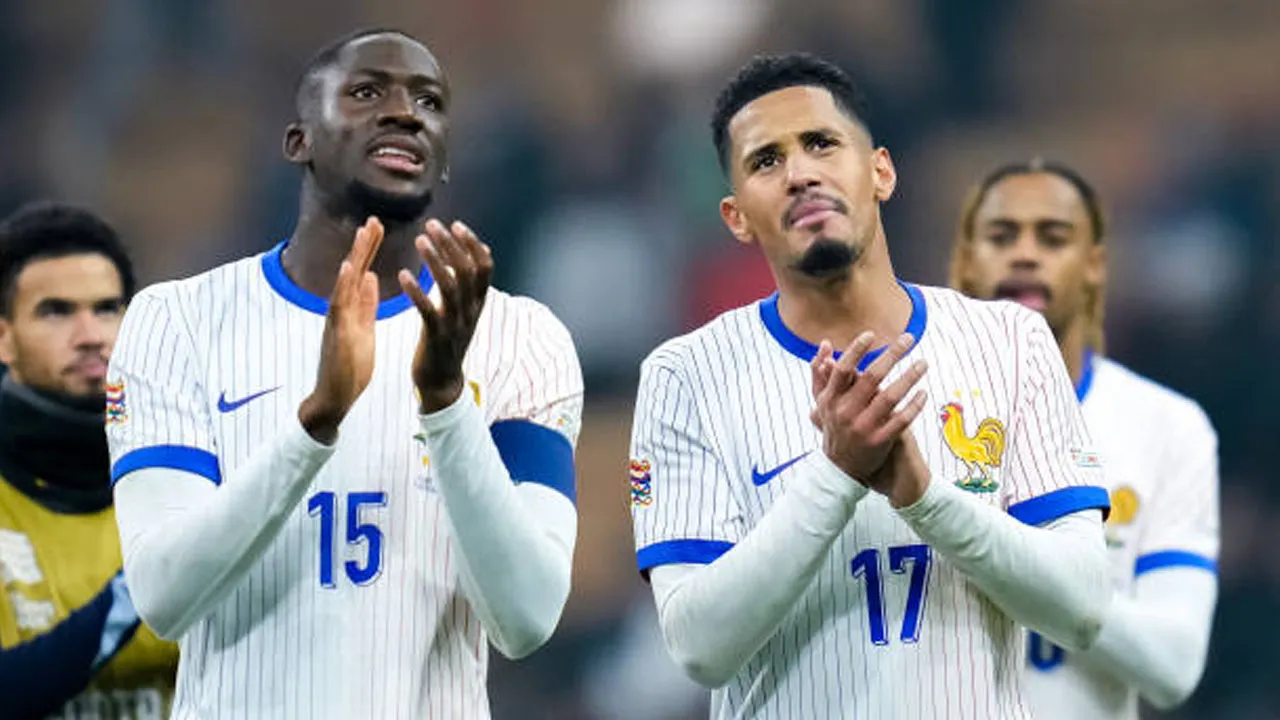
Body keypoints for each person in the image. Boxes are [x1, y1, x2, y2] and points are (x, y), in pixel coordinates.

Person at [106, 28, 583, 718]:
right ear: (297, 140)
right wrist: (315, 424)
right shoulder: (177, 322)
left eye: (429, 101)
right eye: (367, 92)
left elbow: (527, 617)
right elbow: (163, 597)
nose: (403, 112)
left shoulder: (521, 338)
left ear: (444, 158)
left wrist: (447, 404)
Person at [628, 52, 1113, 719]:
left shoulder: (1011, 342)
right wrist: (836, 476)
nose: (800, 173)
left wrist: (924, 498)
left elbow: (1082, 610)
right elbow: (699, 647)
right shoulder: (685, 376)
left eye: (821, 144)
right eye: (766, 162)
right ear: (736, 216)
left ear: (880, 171)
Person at [949, 159, 1219, 719]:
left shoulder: (1166, 425)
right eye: (1001, 236)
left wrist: (1024, 568)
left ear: (1095, 264)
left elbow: (1174, 666)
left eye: (1053, 237)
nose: (1025, 253)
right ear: (969, 260)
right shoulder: (903, 410)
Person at [0, 202, 177, 719]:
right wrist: (150, 582)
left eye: (107, 308)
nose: (91, 335)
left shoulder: (186, 473)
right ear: (3, 336)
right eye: (56, 311)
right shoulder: (186, 527)